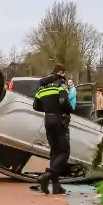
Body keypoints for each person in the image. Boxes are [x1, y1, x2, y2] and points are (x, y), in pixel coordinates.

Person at [33, 64, 72, 195]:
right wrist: (70, 110)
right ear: (60, 72)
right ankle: (47, 176)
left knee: (54, 152)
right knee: (65, 152)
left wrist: (49, 109)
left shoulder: (42, 86)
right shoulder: (60, 83)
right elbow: (63, 101)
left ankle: (56, 186)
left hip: (48, 120)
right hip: (59, 120)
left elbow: (36, 106)